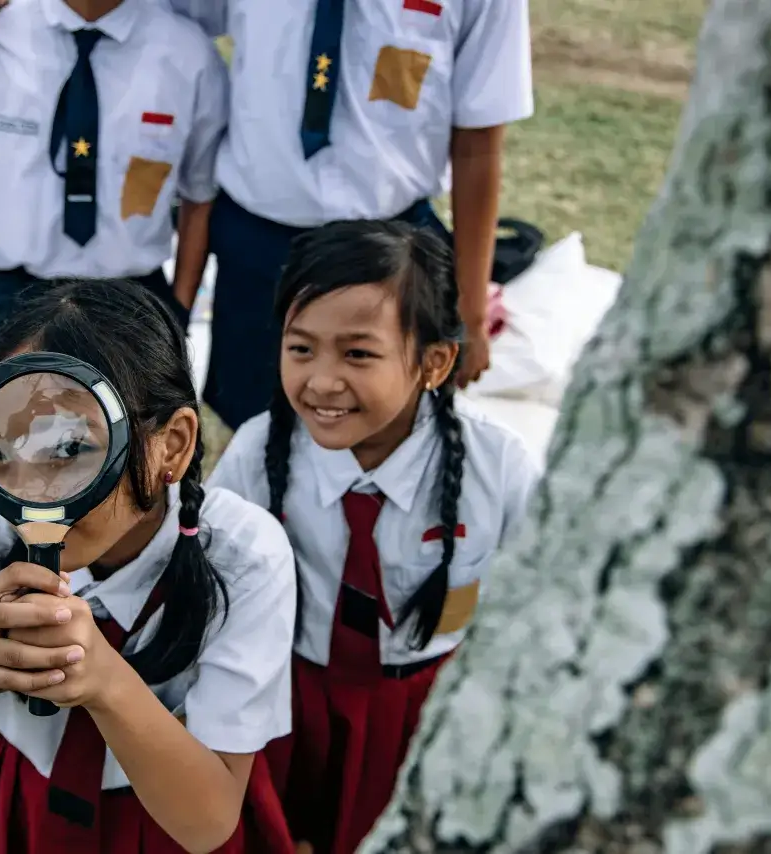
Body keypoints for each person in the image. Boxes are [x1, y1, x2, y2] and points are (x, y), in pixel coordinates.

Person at [0, 0, 533, 429]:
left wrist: (473, 309)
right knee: (257, 421)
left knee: (380, 422)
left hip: (391, 242)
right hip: (260, 241)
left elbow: (480, 140)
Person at [0, 278, 298, 853]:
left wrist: (104, 681)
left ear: (171, 445)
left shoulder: (245, 557)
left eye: (70, 449)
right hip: (23, 805)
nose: (30, 489)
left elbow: (209, 824)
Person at [205, 220, 541, 854]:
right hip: (288, 704)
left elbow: (544, 600)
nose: (323, 382)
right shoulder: (257, 454)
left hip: (422, 710)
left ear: (434, 363)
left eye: (358, 354)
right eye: (301, 348)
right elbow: (209, 590)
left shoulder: (499, 467)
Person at [0, 0, 228, 356]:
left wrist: (178, 310)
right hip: (15, 297)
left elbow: (200, 196)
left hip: (132, 299)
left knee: (134, 412)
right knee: (20, 411)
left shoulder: (187, 54)